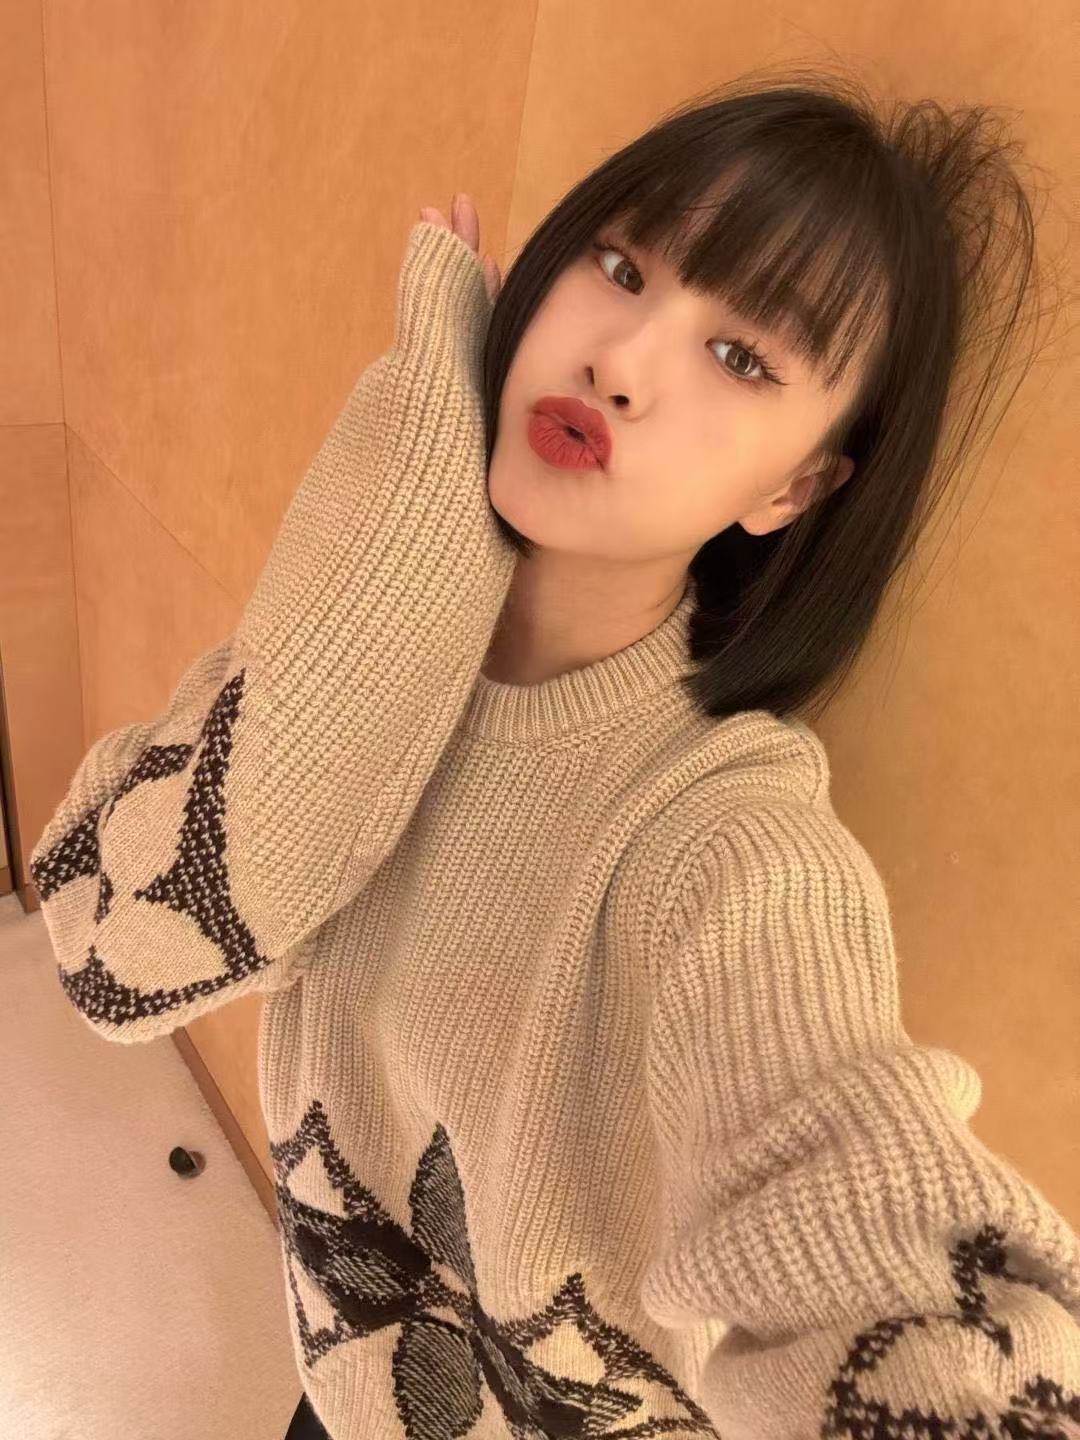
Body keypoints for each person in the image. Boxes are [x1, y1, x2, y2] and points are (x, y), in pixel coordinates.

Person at [29, 67, 1080, 1440]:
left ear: (794, 487)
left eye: (742, 357)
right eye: (622, 266)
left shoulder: (732, 848)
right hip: (345, 1384)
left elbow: (869, 1220)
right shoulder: (366, 640)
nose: (620, 363)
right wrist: (410, 493)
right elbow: (106, 954)